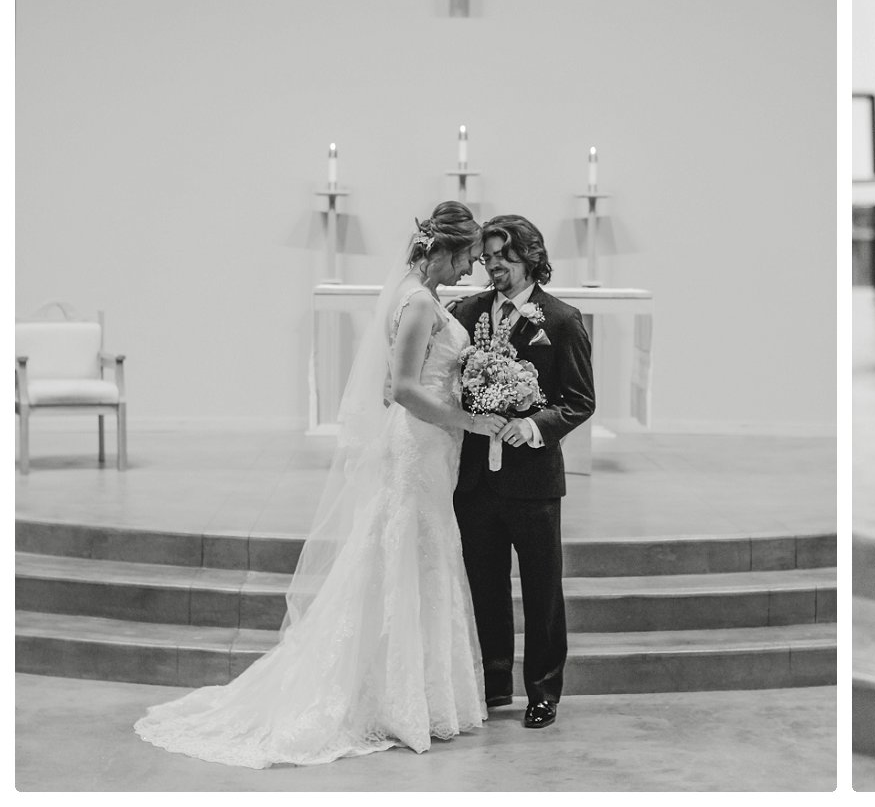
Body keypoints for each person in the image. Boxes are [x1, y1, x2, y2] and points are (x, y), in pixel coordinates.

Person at [134, 203, 503, 768]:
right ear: (444, 249)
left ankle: (415, 695)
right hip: (418, 446)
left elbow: (390, 379)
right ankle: (400, 701)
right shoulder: (421, 301)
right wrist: (470, 419)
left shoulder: (414, 293)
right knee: (410, 555)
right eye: (468, 259)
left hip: (428, 447)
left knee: (415, 559)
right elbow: (404, 388)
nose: (470, 272)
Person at [450, 214, 594, 730]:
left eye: (504, 258)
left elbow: (579, 402)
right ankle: (492, 685)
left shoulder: (561, 320)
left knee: (541, 589)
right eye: (488, 258)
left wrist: (532, 425)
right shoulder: (463, 312)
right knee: (484, 585)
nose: (494, 268)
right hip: (474, 482)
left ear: (530, 257)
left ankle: (542, 691)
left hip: (532, 480)